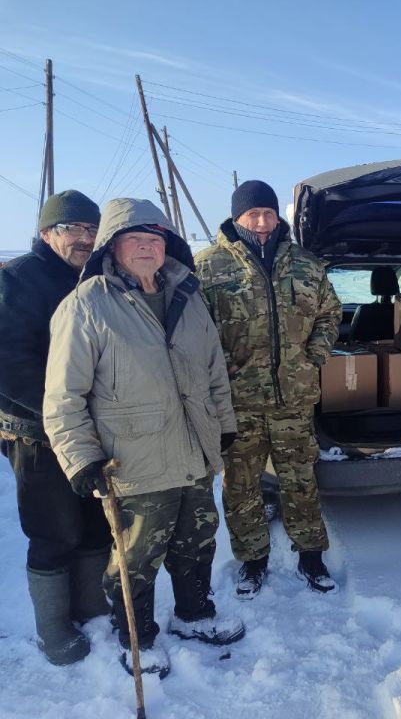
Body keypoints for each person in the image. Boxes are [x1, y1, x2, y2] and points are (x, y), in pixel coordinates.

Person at [44, 198, 244, 679]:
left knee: (197, 541)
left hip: (195, 452)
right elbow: (63, 397)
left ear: (167, 246)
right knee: (136, 557)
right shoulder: (87, 304)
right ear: (113, 246)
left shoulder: (188, 297)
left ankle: (194, 615)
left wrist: (225, 424)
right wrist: (81, 460)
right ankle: (138, 638)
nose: (146, 248)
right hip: (133, 460)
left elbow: (214, 372)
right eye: (135, 239)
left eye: (155, 239)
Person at [195, 180, 342, 598]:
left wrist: (313, 356)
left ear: (279, 217)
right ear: (237, 217)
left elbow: (330, 313)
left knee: (300, 481)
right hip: (236, 403)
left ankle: (311, 557)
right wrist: (217, 373)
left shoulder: (306, 265)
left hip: (293, 399)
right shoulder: (208, 267)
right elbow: (193, 332)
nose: (261, 222)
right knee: (241, 486)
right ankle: (252, 561)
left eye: (269, 213)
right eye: (252, 214)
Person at [0, 191, 112, 665]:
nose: (85, 238)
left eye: (92, 229)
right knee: (54, 529)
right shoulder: (19, 279)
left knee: (93, 521)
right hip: (36, 432)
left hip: (90, 428)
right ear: (48, 233)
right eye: (73, 229)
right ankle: (53, 629)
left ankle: (89, 606)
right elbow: (9, 363)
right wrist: (61, 412)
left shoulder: (93, 278)